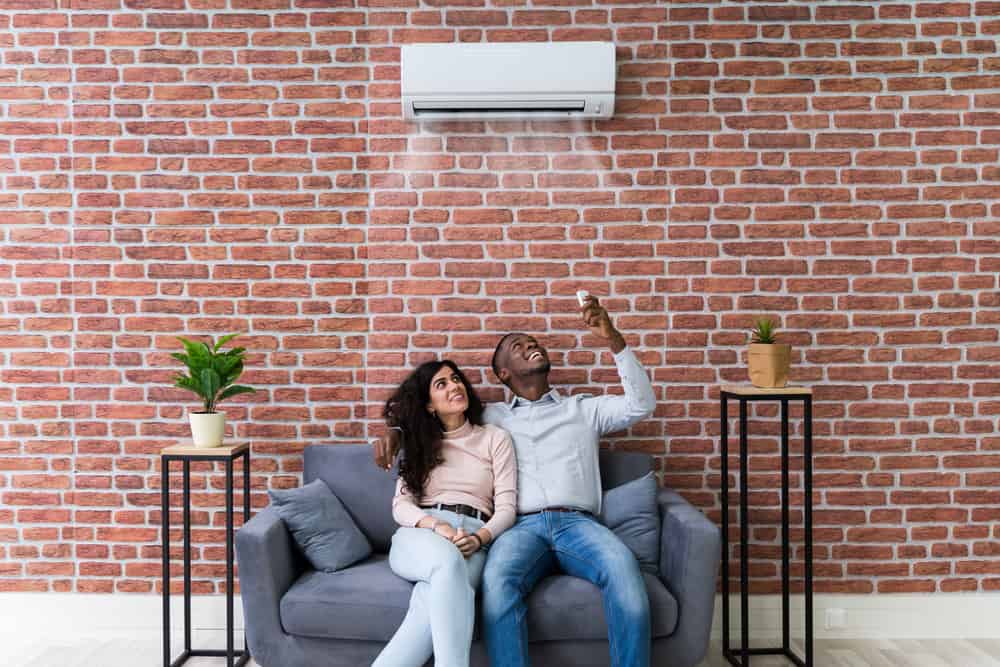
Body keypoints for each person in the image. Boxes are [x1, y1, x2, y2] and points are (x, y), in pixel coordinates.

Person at [375, 296, 656, 667]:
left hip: (578, 523)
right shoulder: (492, 418)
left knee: (624, 572)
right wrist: (395, 432)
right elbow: (434, 419)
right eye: (518, 347)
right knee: (497, 586)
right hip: (519, 528)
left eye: (533, 343)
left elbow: (641, 405)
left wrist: (613, 338)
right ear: (504, 374)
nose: (531, 347)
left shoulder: (584, 409)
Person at [372, 359, 517, 667]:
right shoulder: (419, 445)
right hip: (421, 535)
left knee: (428, 606)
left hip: (473, 541)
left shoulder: (495, 438)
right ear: (429, 405)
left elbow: (506, 508)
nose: (454, 386)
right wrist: (437, 526)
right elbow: (401, 505)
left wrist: (479, 539)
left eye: (456, 379)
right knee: (447, 563)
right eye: (442, 384)